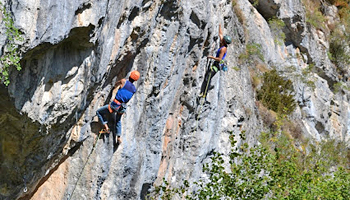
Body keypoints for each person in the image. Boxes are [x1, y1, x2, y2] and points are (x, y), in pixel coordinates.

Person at [96, 70, 140, 144]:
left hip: (115, 105)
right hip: (122, 107)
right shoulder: (134, 89)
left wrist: (115, 87)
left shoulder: (124, 81)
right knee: (118, 121)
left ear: (130, 76)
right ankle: (118, 136)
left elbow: (116, 84)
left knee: (98, 112)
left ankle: (106, 127)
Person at [200, 24, 232, 97]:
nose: (222, 39)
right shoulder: (222, 43)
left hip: (217, 65)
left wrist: (211, 57)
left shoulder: (223, 49)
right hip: (216, 63)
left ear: (224, 41)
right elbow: (220, 34)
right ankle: (204, 92)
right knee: (208, 77)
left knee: (208, 78)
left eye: (223, 39)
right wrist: (219, 26)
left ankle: (204, 94)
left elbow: (219, 59)